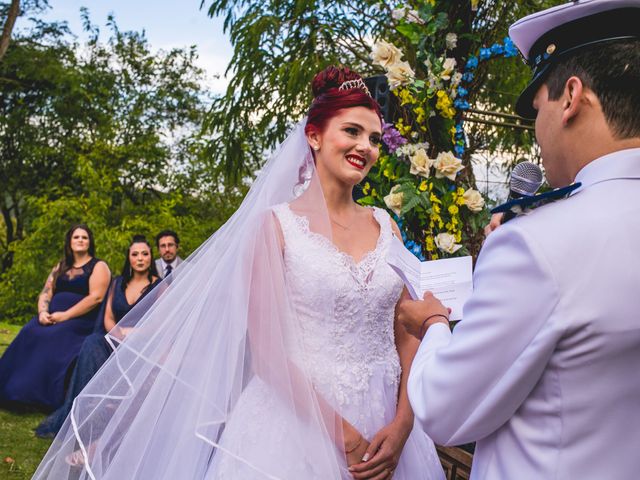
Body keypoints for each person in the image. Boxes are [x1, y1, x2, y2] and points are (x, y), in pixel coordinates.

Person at [33, 67, 445, 480]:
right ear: (315, 136)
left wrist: (403, 424)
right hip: (298, 425)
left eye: (374, 138)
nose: (365, 147)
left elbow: (405, 328)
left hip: (389, 419)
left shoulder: (385, 224)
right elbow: (265, 351)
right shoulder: (275, 226)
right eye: (352, 131)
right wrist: (348, 439)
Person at [398, 1, 640, 479]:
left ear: (570, 97)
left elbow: (445, 410)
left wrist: (433, 324)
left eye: (538, 107)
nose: (537, 128)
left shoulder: (536, 245)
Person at [35, 235, 161, 438]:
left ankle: (103, 415)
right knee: (92, 342)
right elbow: (109, 317)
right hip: (115, 338)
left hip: (143, 342)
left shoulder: (159, 285)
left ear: (150, 258)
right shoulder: (118, 283)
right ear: (128, 258)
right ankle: (80, 412)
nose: (140, 258)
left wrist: (132, 333)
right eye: (135, 254)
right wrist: (117, 333)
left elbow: (160, 322)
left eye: (145, 254)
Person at [0, 224, 110, 410]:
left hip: (80, 321)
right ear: (69, 242)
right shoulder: (61, 266)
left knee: (51, 337)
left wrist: (65, 316)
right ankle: (13, 391)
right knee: (30, 331)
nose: (80, 240)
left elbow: (96, 298)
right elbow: (46, 292)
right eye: (76, 237)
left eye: (84, 237)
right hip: (52, 317)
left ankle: (40, 397)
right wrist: (43, 312)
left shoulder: (98, 266)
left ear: (90, 242)